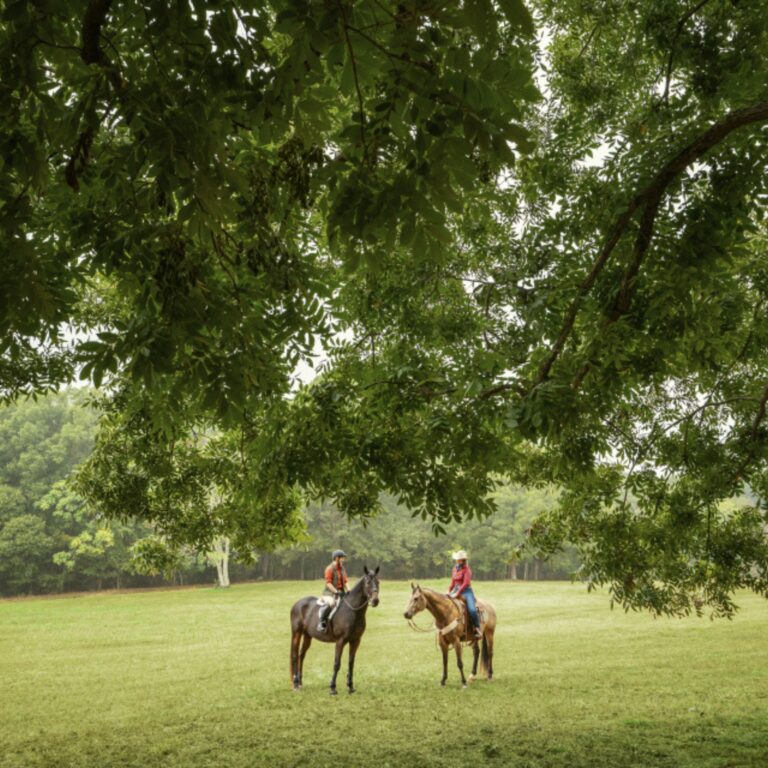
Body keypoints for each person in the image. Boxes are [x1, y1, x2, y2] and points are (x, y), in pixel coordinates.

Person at [448, 549, 482, 639]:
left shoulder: (467, 570)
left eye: (459, 559)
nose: (457, 560)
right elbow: (453, 582)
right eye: (457, 559)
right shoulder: (454, 569)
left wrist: (457, 593)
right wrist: (449, 592)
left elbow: (465, 583)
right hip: (455, 590)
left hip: (466, 591)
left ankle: (477, 628)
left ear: (463, 560)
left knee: (472, 610)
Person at [318, 549, 349, 631]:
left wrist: (349, 590)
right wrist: (336, 592)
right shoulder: (329, 569)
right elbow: (328, 583)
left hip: (341, 592)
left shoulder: (342, 568)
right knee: (331, 603)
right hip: (329, 593)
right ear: (337, 558)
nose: (343, 560)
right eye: (342, 558)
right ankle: (321, 622)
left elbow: (345, 581)